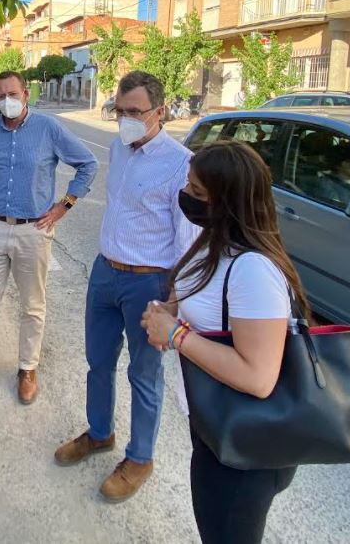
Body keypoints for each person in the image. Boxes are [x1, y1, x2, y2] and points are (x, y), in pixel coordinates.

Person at [141, 140, 310, 544]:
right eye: (188, 185)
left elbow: (258, 376)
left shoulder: (253, 269)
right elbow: (198, 301)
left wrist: (176, 335)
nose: (186, 197)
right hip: (212, 422)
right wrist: (167, 311)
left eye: (198, 193)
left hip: (249, 446)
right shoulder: (212, 241)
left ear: (229, 202)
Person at [54, 70, 199, 503]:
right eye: (120, 111)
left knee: (144, 375)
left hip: (148, 283)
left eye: (134, 112)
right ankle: (100, 433)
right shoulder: (119, 147)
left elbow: (188, 240)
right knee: (98, 361)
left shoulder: (180, 164)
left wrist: (173, 302)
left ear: (160, 112)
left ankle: (140, 457)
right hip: (104, 272)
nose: (125, 120)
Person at [0, 70, 98, 404]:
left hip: (34, 229)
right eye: (1, 95)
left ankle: (27, 368)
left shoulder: (49, 129)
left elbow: (87, 165)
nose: (6, 101)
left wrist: (65, 205)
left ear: (26, 95)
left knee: (32, 306)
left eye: (12, 94)